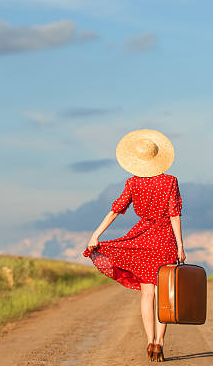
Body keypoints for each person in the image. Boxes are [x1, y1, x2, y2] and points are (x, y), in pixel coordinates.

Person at [82, 128, 186, 362]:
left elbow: (115, 210)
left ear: (138, 161)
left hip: (142, 239)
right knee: (163, 296)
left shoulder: (132, 183)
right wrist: (180, 246)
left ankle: (150, 341)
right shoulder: (170, 181)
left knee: (147, 293)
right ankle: (160, 342)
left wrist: (96, 234)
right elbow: (174, 215)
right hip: (165, 240)